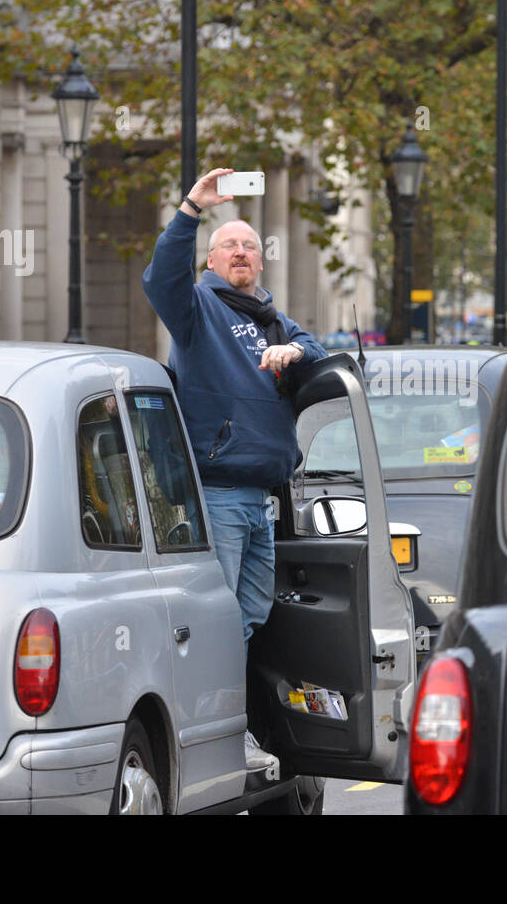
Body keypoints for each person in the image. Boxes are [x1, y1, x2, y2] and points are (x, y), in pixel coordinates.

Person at [142, 167, 328, 771]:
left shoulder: (274, 319)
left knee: (247, 618)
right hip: (218, 493)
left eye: (250, 246)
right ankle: (216, 739)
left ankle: (228, 732)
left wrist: (298, 352)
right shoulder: (195, 309)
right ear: (212, 261)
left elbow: (329, 360)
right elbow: (160, 276)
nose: (242, 252)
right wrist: (193, 208)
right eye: (231, 246)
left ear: (260, 261)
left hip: (261, 498)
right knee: (219, 623)